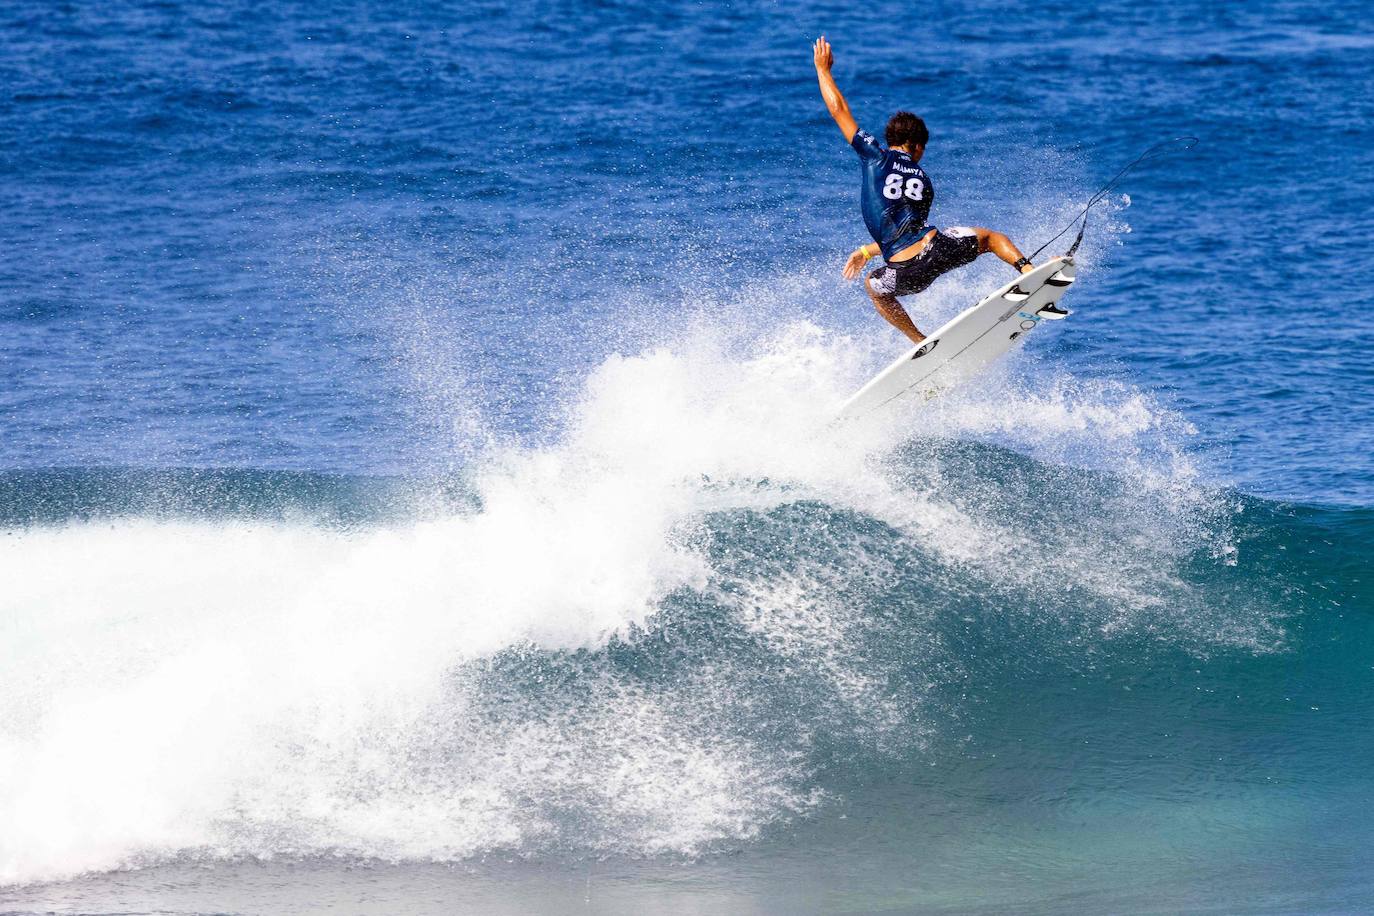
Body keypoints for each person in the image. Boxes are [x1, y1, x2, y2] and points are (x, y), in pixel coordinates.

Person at [812, 36, 1066, 345]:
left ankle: (920, 341)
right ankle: (1028, 270)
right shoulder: (923, 180)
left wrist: (823, 70)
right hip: (939, 250)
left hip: (907, 271)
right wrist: (866, 250)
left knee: (874, 286)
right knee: (990, 238)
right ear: (917, 147)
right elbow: (911, 231)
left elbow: (839, 110)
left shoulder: (875, 157)